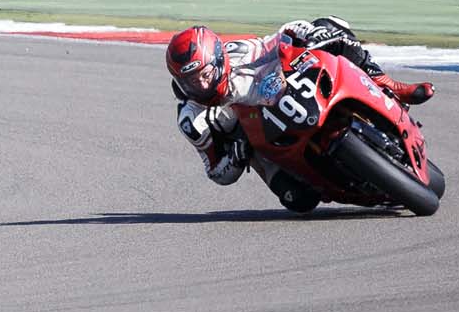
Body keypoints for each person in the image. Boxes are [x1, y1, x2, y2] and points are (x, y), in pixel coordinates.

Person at [165, 17, 434, 211]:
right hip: (259, 146)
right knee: (298, 200)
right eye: (190, 81)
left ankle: (390, 86)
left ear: (219, 59)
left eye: (204, 74)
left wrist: (305, 32)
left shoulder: (240, 52)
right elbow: (215, 172)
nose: (200, 84)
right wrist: (235, 158)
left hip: (283, 94)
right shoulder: (192, 119)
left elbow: (277, 40)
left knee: (330, 28)